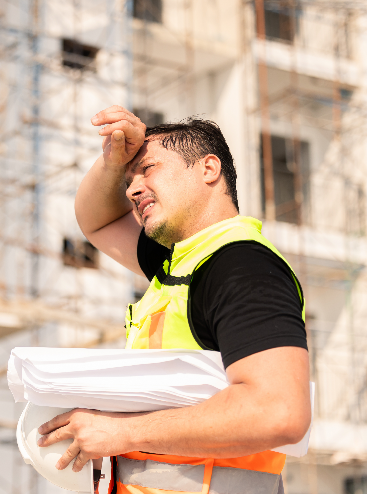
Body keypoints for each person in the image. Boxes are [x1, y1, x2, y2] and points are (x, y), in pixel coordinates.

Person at [36, 106, 311, 494]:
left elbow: (279, 411)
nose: (131, 189)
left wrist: (122, 432)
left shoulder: (241, 266)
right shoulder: (179, 262)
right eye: (129, 179)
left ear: (208, 169)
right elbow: (94, 220)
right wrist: (114, 162)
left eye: (147, 168)